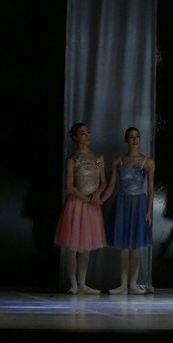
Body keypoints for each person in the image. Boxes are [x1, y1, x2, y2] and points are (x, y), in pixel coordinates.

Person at [54, 122, 107, 294]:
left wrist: (97, 195)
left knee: (86, 247)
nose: (87, 135)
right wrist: (86, 199)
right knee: (72, 247)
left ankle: (82, 283)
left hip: (91, 206)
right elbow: (69, 186)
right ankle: (73, 284)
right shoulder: (72, 159)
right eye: (82, 133)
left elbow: (103, 183)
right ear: (76, 137)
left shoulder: (98, 158)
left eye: (88, 132)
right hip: (77, 204)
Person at [101, 127, 155, 295]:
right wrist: (100, 200)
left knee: (136, 246)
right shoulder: (118, 161)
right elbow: (111, 187)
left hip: (139, 203)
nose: (135, 139)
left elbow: (151, 189)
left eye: (137, 136)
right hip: (123, 203)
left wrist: (149, 211)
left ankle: (133, 284)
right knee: (123, 246)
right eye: (131, 137)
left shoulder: (148, 162)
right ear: (126, 140)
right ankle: (123, 284)